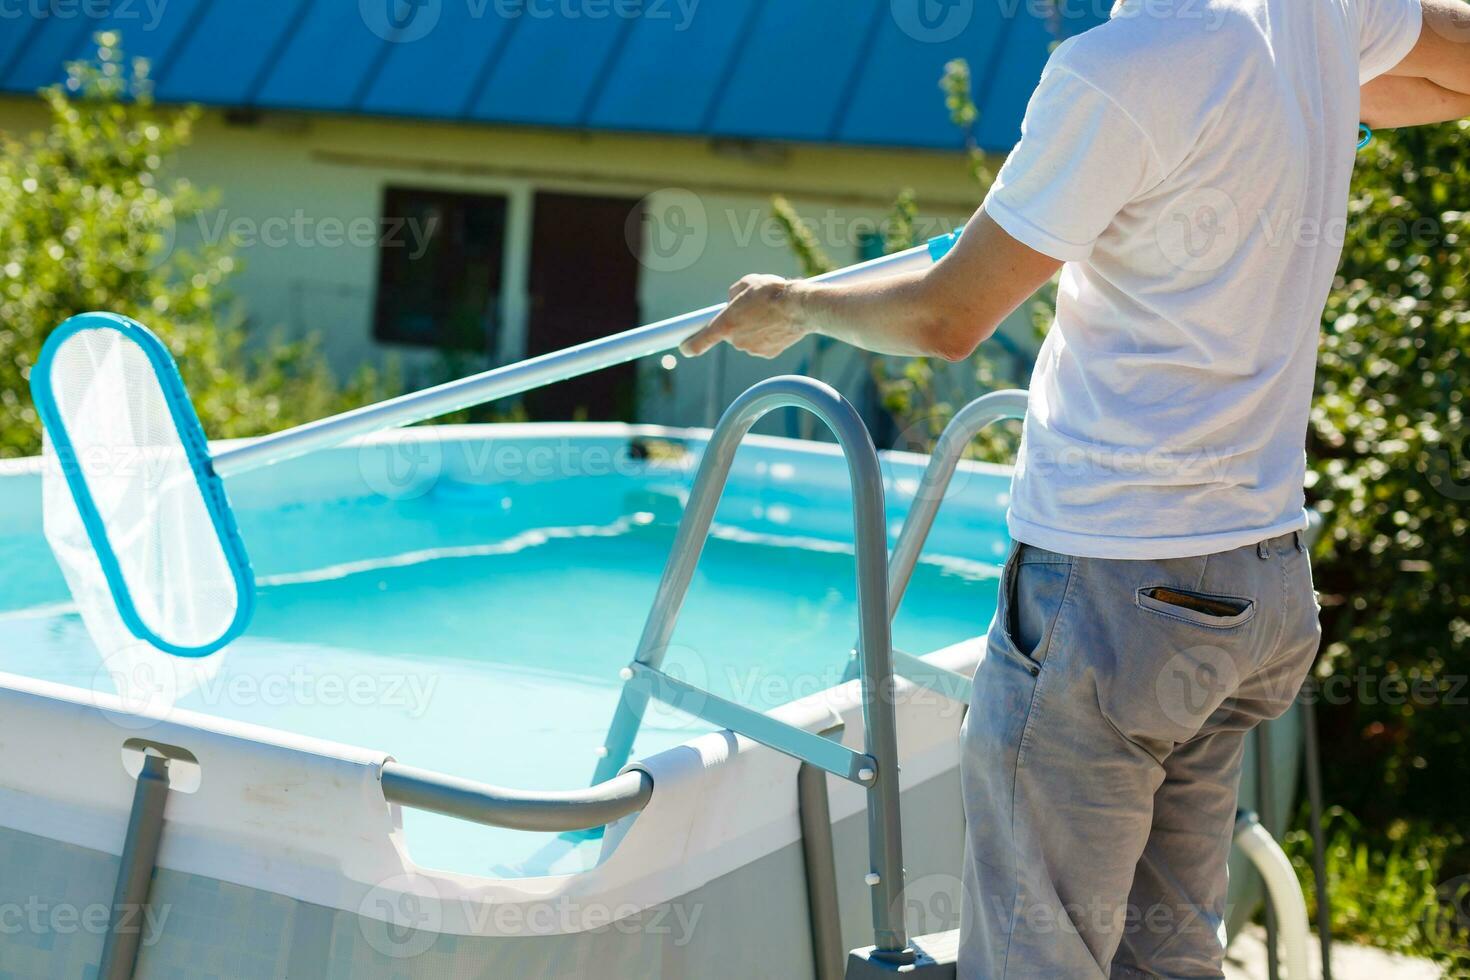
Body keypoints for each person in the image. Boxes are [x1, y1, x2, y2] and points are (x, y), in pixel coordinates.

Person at [678, 0, 1469, 975]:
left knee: (1036, 957)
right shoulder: (1306, 17)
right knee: (1168, 954)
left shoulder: (1122, 68)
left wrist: (790, 305)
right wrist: (1303, 110)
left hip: (1116, 596)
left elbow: (946, 316)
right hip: (1256, 580)